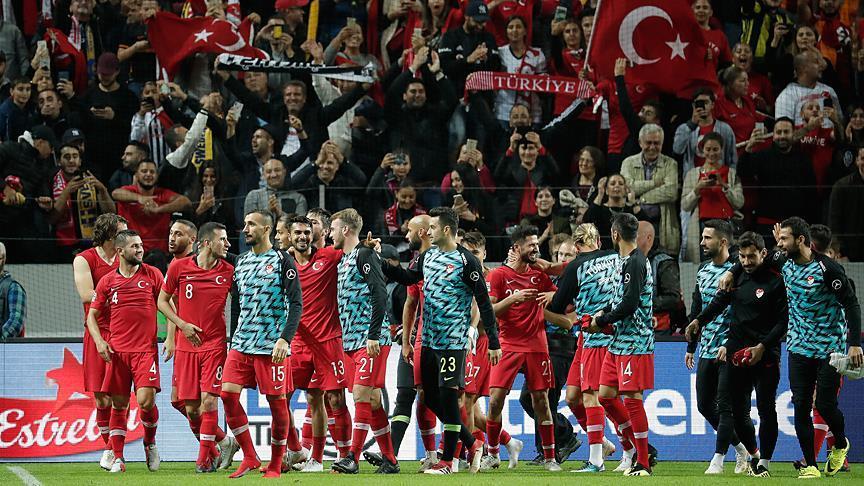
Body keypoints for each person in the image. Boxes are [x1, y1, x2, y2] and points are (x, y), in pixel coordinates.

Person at [719, 217, 861, 479]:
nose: (780, 243)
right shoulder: (782, 260)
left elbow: (851, 304)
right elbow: (751, 259)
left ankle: (840, 443)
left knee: (825, 405)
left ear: (801, 240)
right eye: (780, 239)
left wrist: (854, 345)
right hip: (798, 347)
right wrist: (731, 272)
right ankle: (810, 465)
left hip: (830, 349)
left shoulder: (828, 269)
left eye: (784, 239)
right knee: (801, 406)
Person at [382, 206, 502, 474]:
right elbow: (408, 277)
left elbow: (483, 302)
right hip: (428, 341)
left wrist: (493, 342)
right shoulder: (427, 257)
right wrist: (381, 262)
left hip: (452, 343)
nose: (429, 231)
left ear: (446, 230)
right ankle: (472, 444)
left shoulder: (466, 261)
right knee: (429, 398)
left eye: (433, 227)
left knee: (448, 399)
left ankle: (447, 461)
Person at [687, 231, 786, 478]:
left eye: (751, 256)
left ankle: (764, 462)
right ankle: (752, 455)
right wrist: (699, 320)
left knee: (766, 409)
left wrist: (762, 346)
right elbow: (718, 303)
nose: (746, 261)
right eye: (742, 257)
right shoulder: (737, 276)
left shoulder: (777, 279)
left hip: (766, 354)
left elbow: (782, 322)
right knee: (736, 413)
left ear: (763, 253)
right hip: (737, 353)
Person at [546, 223, 635, 473]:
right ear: (598, 241)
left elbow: (558, 305)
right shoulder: (614, 256)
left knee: (593, 397)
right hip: (598, 336)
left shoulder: (576, 267)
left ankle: (602, 458)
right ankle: (609, 444)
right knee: (573, 397)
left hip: (597, 335)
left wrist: (549, 299)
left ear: (576, 246)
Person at [219, 211, 303, 478]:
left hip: (271, 346)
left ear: (267, 229)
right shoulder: (241, 262)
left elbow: (296, 303)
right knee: (227, 395)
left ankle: (276, 463)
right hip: (242, 343)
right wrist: (232, 339)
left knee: (277, 404)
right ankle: (250, 456)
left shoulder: (282, 260)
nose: (245, 229)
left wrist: (284, 339)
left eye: (251, 224)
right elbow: (237, 305)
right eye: (245, 224)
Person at [158, 222, 238, 473]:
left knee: (209, 401)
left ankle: (203, 460)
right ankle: (222, 444)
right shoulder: (179, 267)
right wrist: (181, 325)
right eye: (222, 239)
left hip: (214, 345)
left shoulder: (230, 271)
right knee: (192, 409)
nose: (227, 244)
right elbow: (162, 301)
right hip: (186, 346)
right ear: (206, 243)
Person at [277, 215, 353, 470]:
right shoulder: (282, 263)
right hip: (297, 342)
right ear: (289, 236)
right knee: (282, 397)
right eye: (297, 233)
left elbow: (351, 248)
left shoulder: (328, 257)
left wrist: (372, 247)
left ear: (313, 235)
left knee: (334, 399)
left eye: (306, 232)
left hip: (328, 341)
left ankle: (340, 457)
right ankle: (296, 450)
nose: (302, 237)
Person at [326, 208, 398, 474]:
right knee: (374, 400)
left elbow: (379, 294)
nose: (330, 234)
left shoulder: (364, 255)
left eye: (333, 229)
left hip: (370, 340)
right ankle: (390, 460)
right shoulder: (345, 259)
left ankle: (352, 457)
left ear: (345, 229)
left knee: (360, 394)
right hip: (351, 341)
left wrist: (373, 334)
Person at [86, 230, 164, 473]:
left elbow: (167, 303)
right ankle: (118, 458)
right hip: (118, 352)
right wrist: (100, 341)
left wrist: (172, 336)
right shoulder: (107, 281)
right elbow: (92, 316)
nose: (140, 249)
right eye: (134, 246)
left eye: (140, 245)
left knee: (145, 401)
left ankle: (150, 443)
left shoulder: (153, 274)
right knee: (119, 405)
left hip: (145, 351)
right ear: (120, 251)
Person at [485, 225, 560, 471]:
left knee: (542, 401)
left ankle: (550, 458)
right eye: (531, 245)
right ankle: (493, 453)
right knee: (495, 401)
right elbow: (489, 311)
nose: (536, 248)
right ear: (517, 248)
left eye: (537, 244)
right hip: (507, 344)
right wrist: (513, 299)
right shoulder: (498, 275)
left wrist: (552, 296)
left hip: (537, 345)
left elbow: (560, 298)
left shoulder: (539, 276)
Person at [588, 212, 655, 476]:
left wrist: (602, 320)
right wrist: (600, 313)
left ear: (615, 234)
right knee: (605, 395)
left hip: (635, 342)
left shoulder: (636, 262)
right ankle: (635, 449)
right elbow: (619, 298)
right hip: (618, 341)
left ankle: (644, 462)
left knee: (632, 399)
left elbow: (630, 304)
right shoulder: (624, 260)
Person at [684, 220, 750, 474]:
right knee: (703, 405)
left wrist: (730, 342)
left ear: (723, 242)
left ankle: (718, 460)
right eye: (702, 237)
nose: (702, 242)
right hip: (707, 347)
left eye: (707, 238)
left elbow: (743, 312)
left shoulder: (738, 271)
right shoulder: (702, 270)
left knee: (725, 406)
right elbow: (697, 307)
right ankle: (741, 448)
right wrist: (691, 346)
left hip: (730, 348)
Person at [72, 214, 126, 468]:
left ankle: (113, 452)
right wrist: (122, 294)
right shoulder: (85, 259)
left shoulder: (126, 256)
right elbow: (86, 294)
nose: (128, 237)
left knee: (120, 397)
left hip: (123, 333)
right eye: (123, 232)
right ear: (110, 235)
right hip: (97, 333)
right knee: (102, 399)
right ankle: (110, 448)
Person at [739, 117, 817, 239]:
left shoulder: (803, 160)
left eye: (786, 132)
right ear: (773, 135)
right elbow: (743, 173)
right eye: (779, 132)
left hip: (796, 226)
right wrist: (748, 149)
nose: (782, 136)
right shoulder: (762, 156)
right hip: (766, 223)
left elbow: (811, 193)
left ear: (793, 133)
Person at [680, 132, 745, 262]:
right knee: (706, 263)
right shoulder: (692, 174)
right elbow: (685, 205)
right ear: (702, 150)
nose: (711, 153)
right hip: (703, 226)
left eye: (715, 149)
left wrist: (724, 185)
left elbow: (739, 202)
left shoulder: (731, 173)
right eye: (708, 149)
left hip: (727, 225)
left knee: (728, 262)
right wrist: (697, 188)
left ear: (721, 150)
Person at [48, 143, 116, 258]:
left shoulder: (91, 179)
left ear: (80, 161)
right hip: (63, 245)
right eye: (67, 157)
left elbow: (111, 213)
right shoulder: (51, 180)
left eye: (75, 156)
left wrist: (102, 190)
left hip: (93, 243)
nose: (71, 160)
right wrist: (66, 191)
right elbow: (52, 219)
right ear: (59, 161)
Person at [620, 124, 680, 255]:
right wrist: (654, 183)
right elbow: (627, 188)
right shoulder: (628, 163)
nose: (652, 147)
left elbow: (671, 192)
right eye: (648, 143)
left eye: (656, 143)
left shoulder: (670, 164)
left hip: (661, 224)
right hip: (634, 224)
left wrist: (640, 199)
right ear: (640, 142)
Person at [112, 159, 192, 254]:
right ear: (136, 175)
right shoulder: (129, 191)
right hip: (130, 251)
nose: (148, 174)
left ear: (157, 176)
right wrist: (140, 198)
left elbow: (186, 202)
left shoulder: (163, 194)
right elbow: (115, 193)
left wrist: (158, 209)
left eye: (152, 172)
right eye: (144, 171)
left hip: (159, 253)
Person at [494, 16, 546, 126]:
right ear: (506, 31)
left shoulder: (537, 54)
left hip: (531, 113)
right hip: (504, 112)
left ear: (525, 31)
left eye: (518, 27)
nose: (514, 30)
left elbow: (544, 86)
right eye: (510, 27)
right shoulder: (499, 53)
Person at [673, 88, 737, 175]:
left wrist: (730, 177)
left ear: (712, 105)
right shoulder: (684, 128)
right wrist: (691, 124)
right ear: (693, 105)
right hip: (693, 178)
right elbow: (677, 150)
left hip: (719, 177)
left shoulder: (725, 129)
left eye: (706, 103)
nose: (703, 106)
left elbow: (732, 159)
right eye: (699, 103)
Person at [828, 147, 864, 261]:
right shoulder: (841, 186)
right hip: (849, 254)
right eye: (863, 158)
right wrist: (839, 251)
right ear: (857, 161)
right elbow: (834, 222)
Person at [243, 158, 307, 222]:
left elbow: (301, 225)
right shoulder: (253, 195)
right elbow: (249, 224)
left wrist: (281, 214)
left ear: (284, 172)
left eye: (277, 170)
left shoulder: (298, 198)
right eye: (268, 171)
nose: (273, 175)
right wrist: (268, 212)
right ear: (263, 174)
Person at [0, 241, 25, 340]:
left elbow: (16, 321)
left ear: (3, 260)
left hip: (5, 347)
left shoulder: (13, 287)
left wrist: (2, 339)